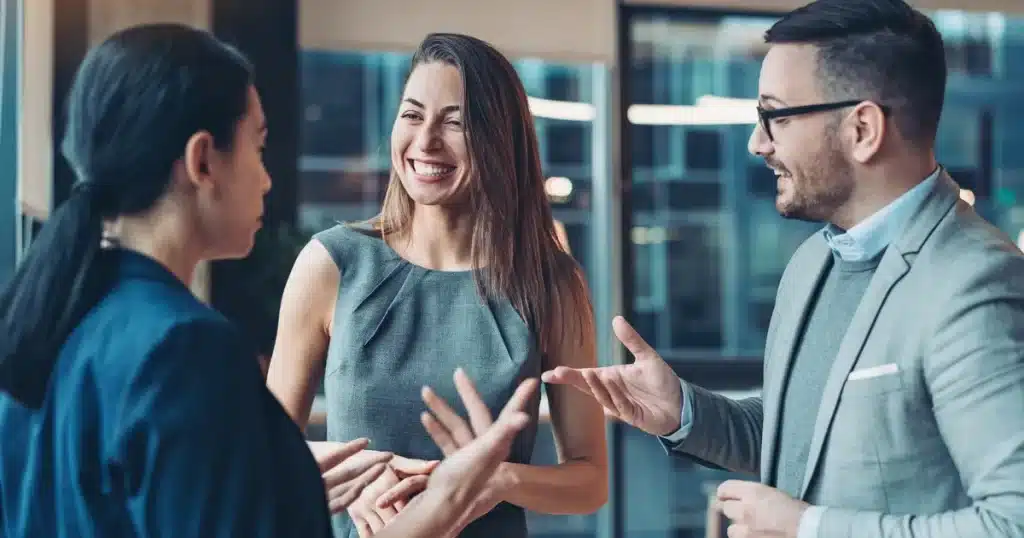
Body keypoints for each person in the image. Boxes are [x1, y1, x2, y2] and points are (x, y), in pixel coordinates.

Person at [0, 23, 541, 538]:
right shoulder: (185, 347)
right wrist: (448, 502)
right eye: (258, 146)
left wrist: (286, 487)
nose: (266, 178)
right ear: (203, 160)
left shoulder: (52, 314)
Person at [544, 1, 1024, 538]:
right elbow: (802, 441)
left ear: (862, 128)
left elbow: (1012, 521)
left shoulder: (975, 283)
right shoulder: (812, 262)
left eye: (777, 116)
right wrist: (685, 412)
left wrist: (808, 529)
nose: (758, 142)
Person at [266, 32, 608, 538]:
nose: (426, 141)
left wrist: (496, 479)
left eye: (455, 123)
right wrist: (352, 476)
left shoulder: (551, 283)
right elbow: (264, 454)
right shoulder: (330, 264)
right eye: (411, 114)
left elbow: (590, 479)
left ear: (499, 139)